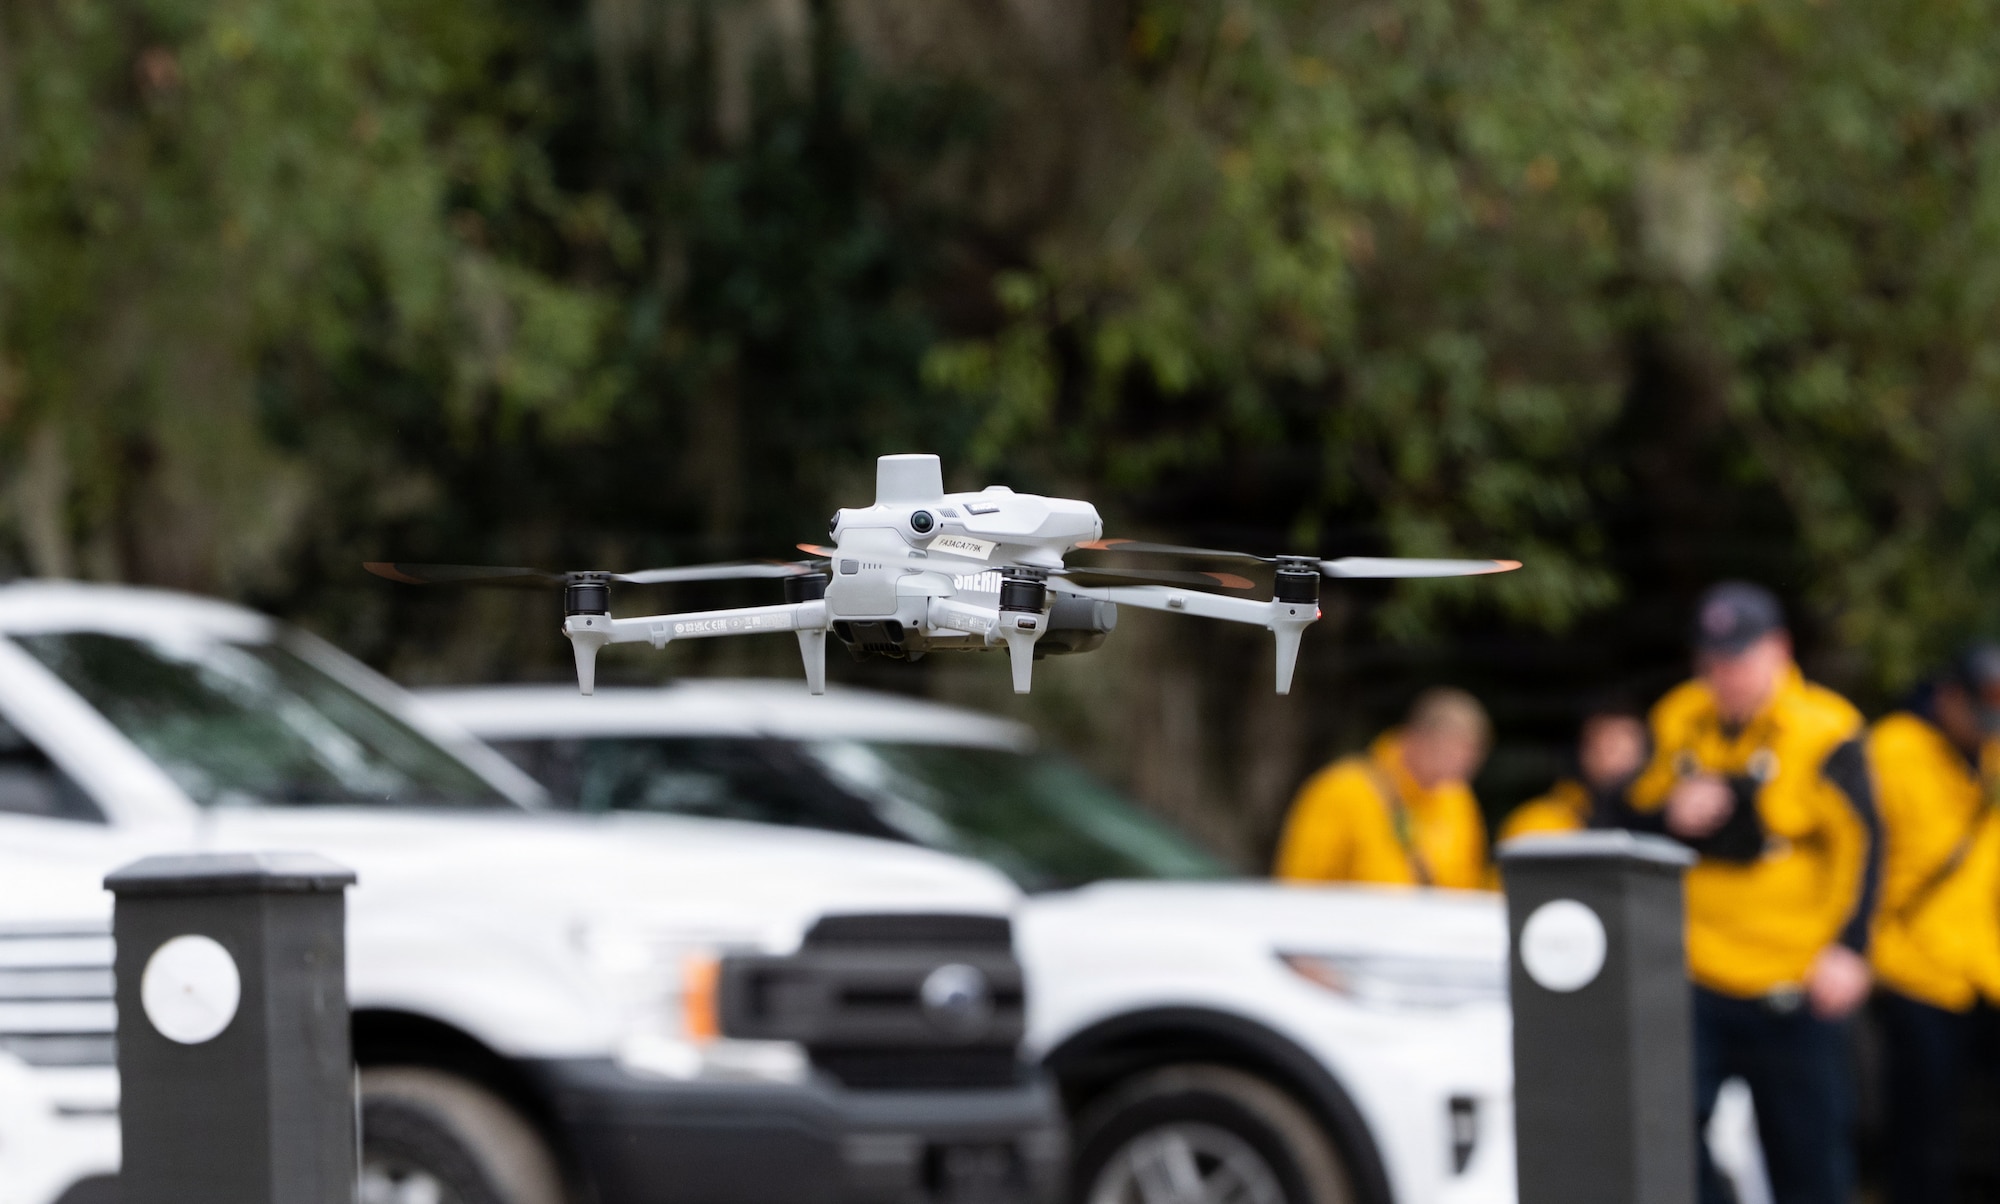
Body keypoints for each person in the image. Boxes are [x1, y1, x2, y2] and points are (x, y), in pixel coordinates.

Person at [1625, 582, 1880, 1204]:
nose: (1724, 675)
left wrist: (1850, 948)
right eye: (1711, 660)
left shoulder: (1827, 728)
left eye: (1738, 657)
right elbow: (1623, 815)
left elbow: (1866, 846)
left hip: (1791, 978)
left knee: (1807, 1159)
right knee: (1667, 1140)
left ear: (1779, 650)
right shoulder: (1678, 715)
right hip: (1692, 969)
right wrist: (1669, 813)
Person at [1865, 646, 2000, 1204]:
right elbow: (1859, 855)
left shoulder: (1993, 755)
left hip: (1984, 967)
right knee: (1924, 1134)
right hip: (1911, 967)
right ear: (1948, 698)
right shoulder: (1892, 749)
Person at [1274, 687, 1491, 890]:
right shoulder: (1341, 790)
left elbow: (1468, 883)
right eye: (1449, 753)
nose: (1458, 767)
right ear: (1414, 738)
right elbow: (1300, 885)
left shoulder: (1457, 798)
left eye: (1469, 758)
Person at [1499, 699, 1649, 840]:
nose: (1618, 762)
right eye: (1609, 748)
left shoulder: (1657, 819)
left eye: (1627, 752)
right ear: (1582, 752)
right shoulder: (1543, 823)